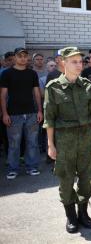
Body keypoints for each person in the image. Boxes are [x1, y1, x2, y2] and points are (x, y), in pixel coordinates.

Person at [43, 47, 91, 233]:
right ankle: (71, 216)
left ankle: (83, 213)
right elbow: (49, 118)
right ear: (63, 63)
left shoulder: (87, 86)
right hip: (64, 139)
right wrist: (50, 145)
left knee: (85, 178)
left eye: (80, 61)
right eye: (73, 61)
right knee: (66, 179)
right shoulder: (53, 87)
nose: (78, 65)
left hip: (85, 137)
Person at [1, 48, 43, 179]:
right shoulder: (7, 74)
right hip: (13, 114)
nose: (23, 58)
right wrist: (5, 114)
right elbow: (3, 95)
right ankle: (13, 168)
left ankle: (32, 167)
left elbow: (36, 93)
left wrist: (40, 110)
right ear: (14, 57)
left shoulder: (32, 74)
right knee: (14, 143)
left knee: (32, 142)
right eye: (20, 56)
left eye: (25, 56)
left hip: (31, 113)